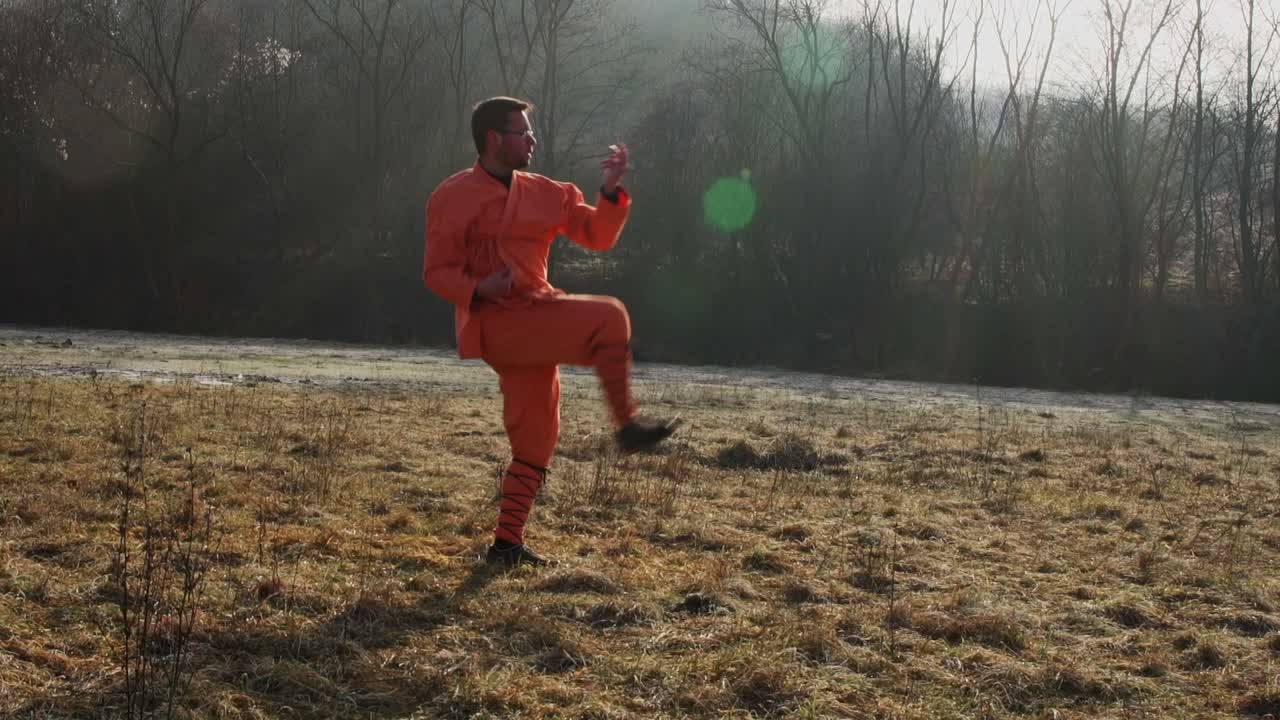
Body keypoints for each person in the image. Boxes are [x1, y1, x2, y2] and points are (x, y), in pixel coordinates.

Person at [423, 97, 677, 568]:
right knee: (609, 316)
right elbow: (436, 272)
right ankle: (627, 426)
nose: (532, 140)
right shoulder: (451, 196)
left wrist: (609, 190)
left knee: (536, 437)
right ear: (495, 139)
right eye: (523, 132)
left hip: (536, 317)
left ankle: (506, 545)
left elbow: (597, 237)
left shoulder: (546, 191)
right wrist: (479, 287)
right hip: (497, 323)